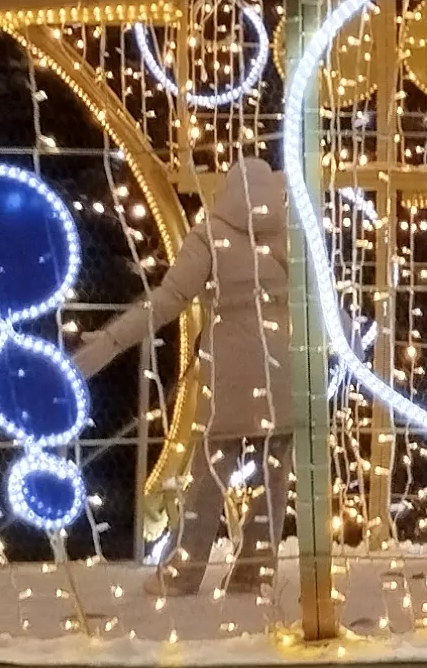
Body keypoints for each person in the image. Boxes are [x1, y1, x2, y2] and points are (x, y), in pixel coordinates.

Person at [70, 153, 295, 596]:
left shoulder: (211, 231)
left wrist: (108, 343)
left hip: (230, 366)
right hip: (284, 365)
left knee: (209, 472)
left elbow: (171, 297)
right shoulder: (294, 230)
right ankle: (253, 571)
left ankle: (183, 572)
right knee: (275, 472)